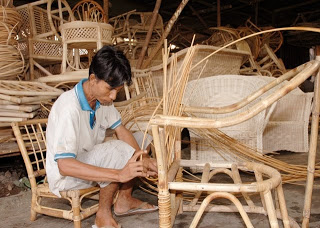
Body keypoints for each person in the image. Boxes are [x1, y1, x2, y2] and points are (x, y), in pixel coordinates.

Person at [46, 46, 158, 228]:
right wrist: (119, 175)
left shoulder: (102, 101)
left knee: (142, 140)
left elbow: (121, 130)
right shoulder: (69, 108)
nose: (113, 96)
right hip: (66, 175)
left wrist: (143, 158)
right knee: (117, 151)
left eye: (117, 90)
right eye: (109, 89)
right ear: (93, 79)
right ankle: (102, 215)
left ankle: (124, 199)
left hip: (89, 159)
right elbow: (64, 165)